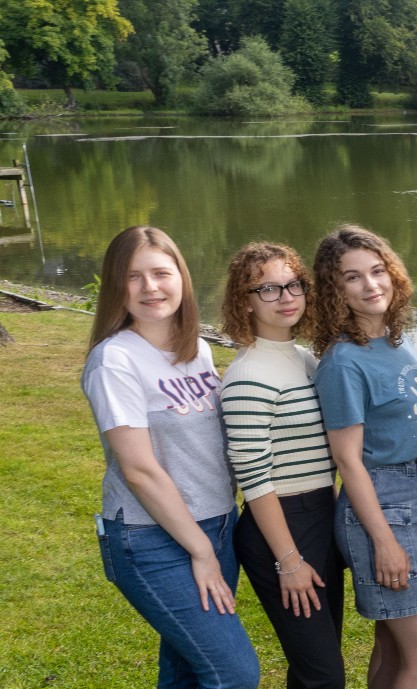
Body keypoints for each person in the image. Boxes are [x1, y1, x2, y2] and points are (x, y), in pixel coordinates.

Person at [83, 226, 260, 688]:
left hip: (216, 523)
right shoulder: (114, 361)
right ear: (115, 285)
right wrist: (200, 551)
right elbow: (139, 469)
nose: (151, 288)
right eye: (134, 277)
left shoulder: (196, 349)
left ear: (181, 276)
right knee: (233, 672)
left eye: (161, 273)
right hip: (151, 538)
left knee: (186, 668)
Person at [309, 225, 417, 689]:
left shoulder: (394, 340)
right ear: (334, 290)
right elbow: (348, 462)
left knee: (393, 645)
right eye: (352, 278)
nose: (371, 285)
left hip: (414, 497)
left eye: (377, 271)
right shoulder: (344, 362)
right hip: (384, 505)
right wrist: (384, 541)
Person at [219, 242, 345, 689]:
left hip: (321, 517)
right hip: (282, 528)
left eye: (293, 284)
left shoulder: (307, 360)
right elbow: (254, 480)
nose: (286, 296)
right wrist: (289, 561)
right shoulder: (248, 377)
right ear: (244, 301)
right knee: (324, 676)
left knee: (316, 667)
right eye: (268, 288)